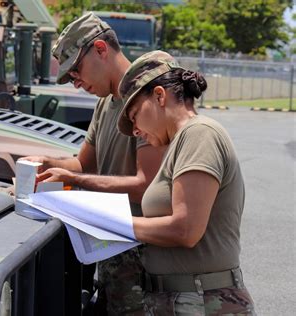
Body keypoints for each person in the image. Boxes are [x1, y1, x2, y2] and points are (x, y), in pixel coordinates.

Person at [21, 12, 164, 315]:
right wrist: (47, 163)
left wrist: (79, 183)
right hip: (112, 254)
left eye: (77, 71)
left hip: (143, 261)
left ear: (101, 49)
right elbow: (83, 164)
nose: (76, 84)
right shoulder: (105, 103)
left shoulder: (142, 101)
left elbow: (146, 187)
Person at [117, 50, 256, 315]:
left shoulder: (199, 134)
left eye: (134, 114)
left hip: (202, 302)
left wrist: (110, 222)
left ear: (159, 96)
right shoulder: (180, 141)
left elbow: (186, 229)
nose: (135, 130)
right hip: (184, 299)